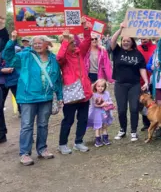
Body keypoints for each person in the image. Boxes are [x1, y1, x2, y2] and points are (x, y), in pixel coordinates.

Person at [3, 31, 64, 166]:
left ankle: (42, 149)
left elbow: (57, 79)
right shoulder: (25, 56)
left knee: (43, 124)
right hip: (28, 97)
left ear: (47, 44)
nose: (36, 45)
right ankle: (24, 153)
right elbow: (7, 57)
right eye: (34, 43)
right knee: (26, 125)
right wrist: (12, 40)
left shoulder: (53, 58)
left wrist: (60, 96)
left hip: (47, 97)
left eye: (39, 43)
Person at [57, 19, 94, 154]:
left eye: (73, 42)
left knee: (83, 119)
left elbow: (87, 41)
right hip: (71, 93)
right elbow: (59, 57)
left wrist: (86, 29)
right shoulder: (63, 57)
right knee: (68, 119)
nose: (74, 45)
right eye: (71, 43)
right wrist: (66, 41)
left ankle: (79, 141)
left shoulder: (79, 53)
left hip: (84, 92)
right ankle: (62, 144)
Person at [110, 22, 149, 142]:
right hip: (120, 84)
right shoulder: (117, 51)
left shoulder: (138, 54)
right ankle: (122, 130)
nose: (125, 42)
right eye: (123, 41)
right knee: (121, 109)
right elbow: (112, 41)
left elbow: (142, 68)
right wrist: (120, 29)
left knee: (134, 108)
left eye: (128, 40)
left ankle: (133, 131)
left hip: (134, 85)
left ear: (132, 41)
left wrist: (146, 82)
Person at [87, 79, 114, 147]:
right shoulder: (94, 94)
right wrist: (101, 105)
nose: (100, 88)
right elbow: (94, 104)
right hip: (97, 113)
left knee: (105, 125)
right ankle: (97, 140)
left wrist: (108, 103)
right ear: (95, 86)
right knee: (98, 126)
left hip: (104, 113)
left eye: (102, 86)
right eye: (98, 86)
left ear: (105, 87)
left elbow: (110, 100)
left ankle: (105, 139)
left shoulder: (106, 93)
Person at [137, 38, 156, 131]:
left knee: (153, 101)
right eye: (142, 37)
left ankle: (154, 121)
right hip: (141, 79)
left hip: (153, 79)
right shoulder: (137, 48)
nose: (143, 38)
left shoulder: (155, 47)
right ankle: (146, 123)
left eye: (145, 36)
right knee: (143, 101)